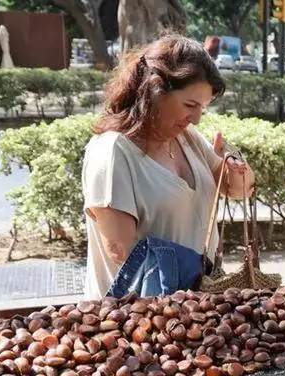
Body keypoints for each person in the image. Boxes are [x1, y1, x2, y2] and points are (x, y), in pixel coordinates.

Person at [82, 34, 256, 299]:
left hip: (193, 311)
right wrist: (187, 291)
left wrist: (235, 168)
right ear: (154, 91)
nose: (196, 119)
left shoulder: (186, 138)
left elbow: (238, 190)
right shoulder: (112, 151)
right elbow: (120, 250)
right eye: (190, 105)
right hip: (139, 319)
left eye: (203, 108)